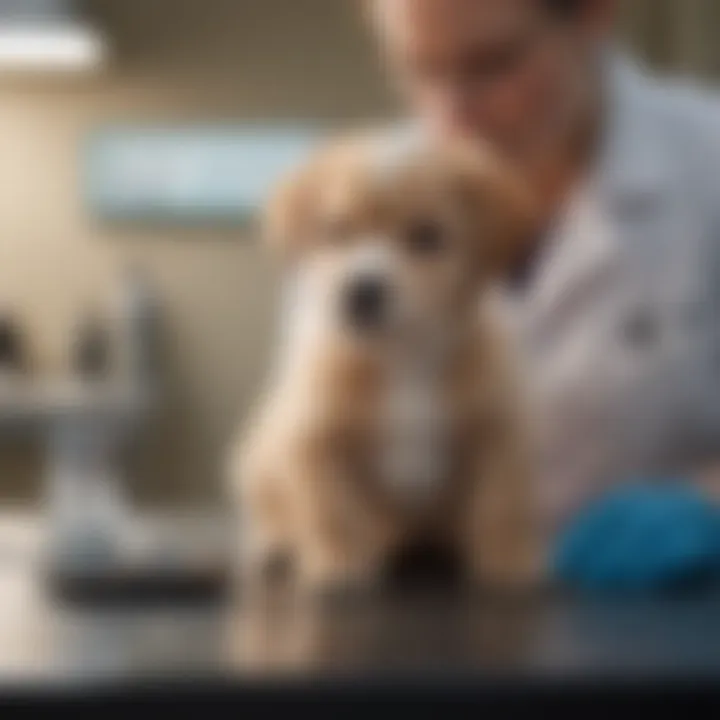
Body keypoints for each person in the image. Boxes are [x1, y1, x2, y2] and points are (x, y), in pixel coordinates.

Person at [366, 0, 720, 589]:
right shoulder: (365, 195)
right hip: (434, 618)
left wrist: (711, 504)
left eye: (493, 64)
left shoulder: (706, 164)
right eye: (420, 71)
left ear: (593, 16)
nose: (453, 115)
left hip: (676, 620)